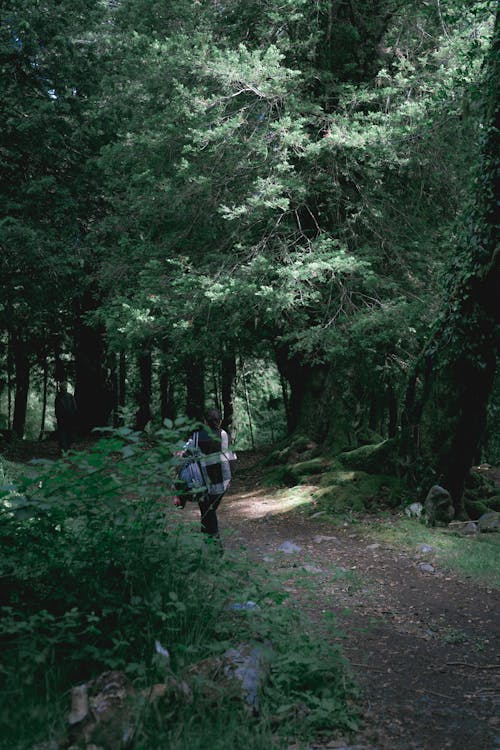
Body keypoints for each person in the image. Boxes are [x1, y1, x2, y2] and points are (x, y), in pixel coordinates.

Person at [177, 408, 235, 544]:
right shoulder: (224, 434)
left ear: (204, 421)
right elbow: (230, 456)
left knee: (208, 512)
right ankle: (207, 543)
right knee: (209, 511)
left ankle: (215, 548)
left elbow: (184, 455)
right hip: (223, 482)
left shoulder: (197, 436)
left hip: (204, 483)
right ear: (219, 421)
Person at [55, 382, 78, 453]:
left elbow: (74, 407)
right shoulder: (62, 397)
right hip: (66, 418)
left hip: (66, 418)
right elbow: (74, 408)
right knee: (65, 433)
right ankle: (65, 449)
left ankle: (65, 449)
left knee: (66, 433)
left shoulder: (60, 397)